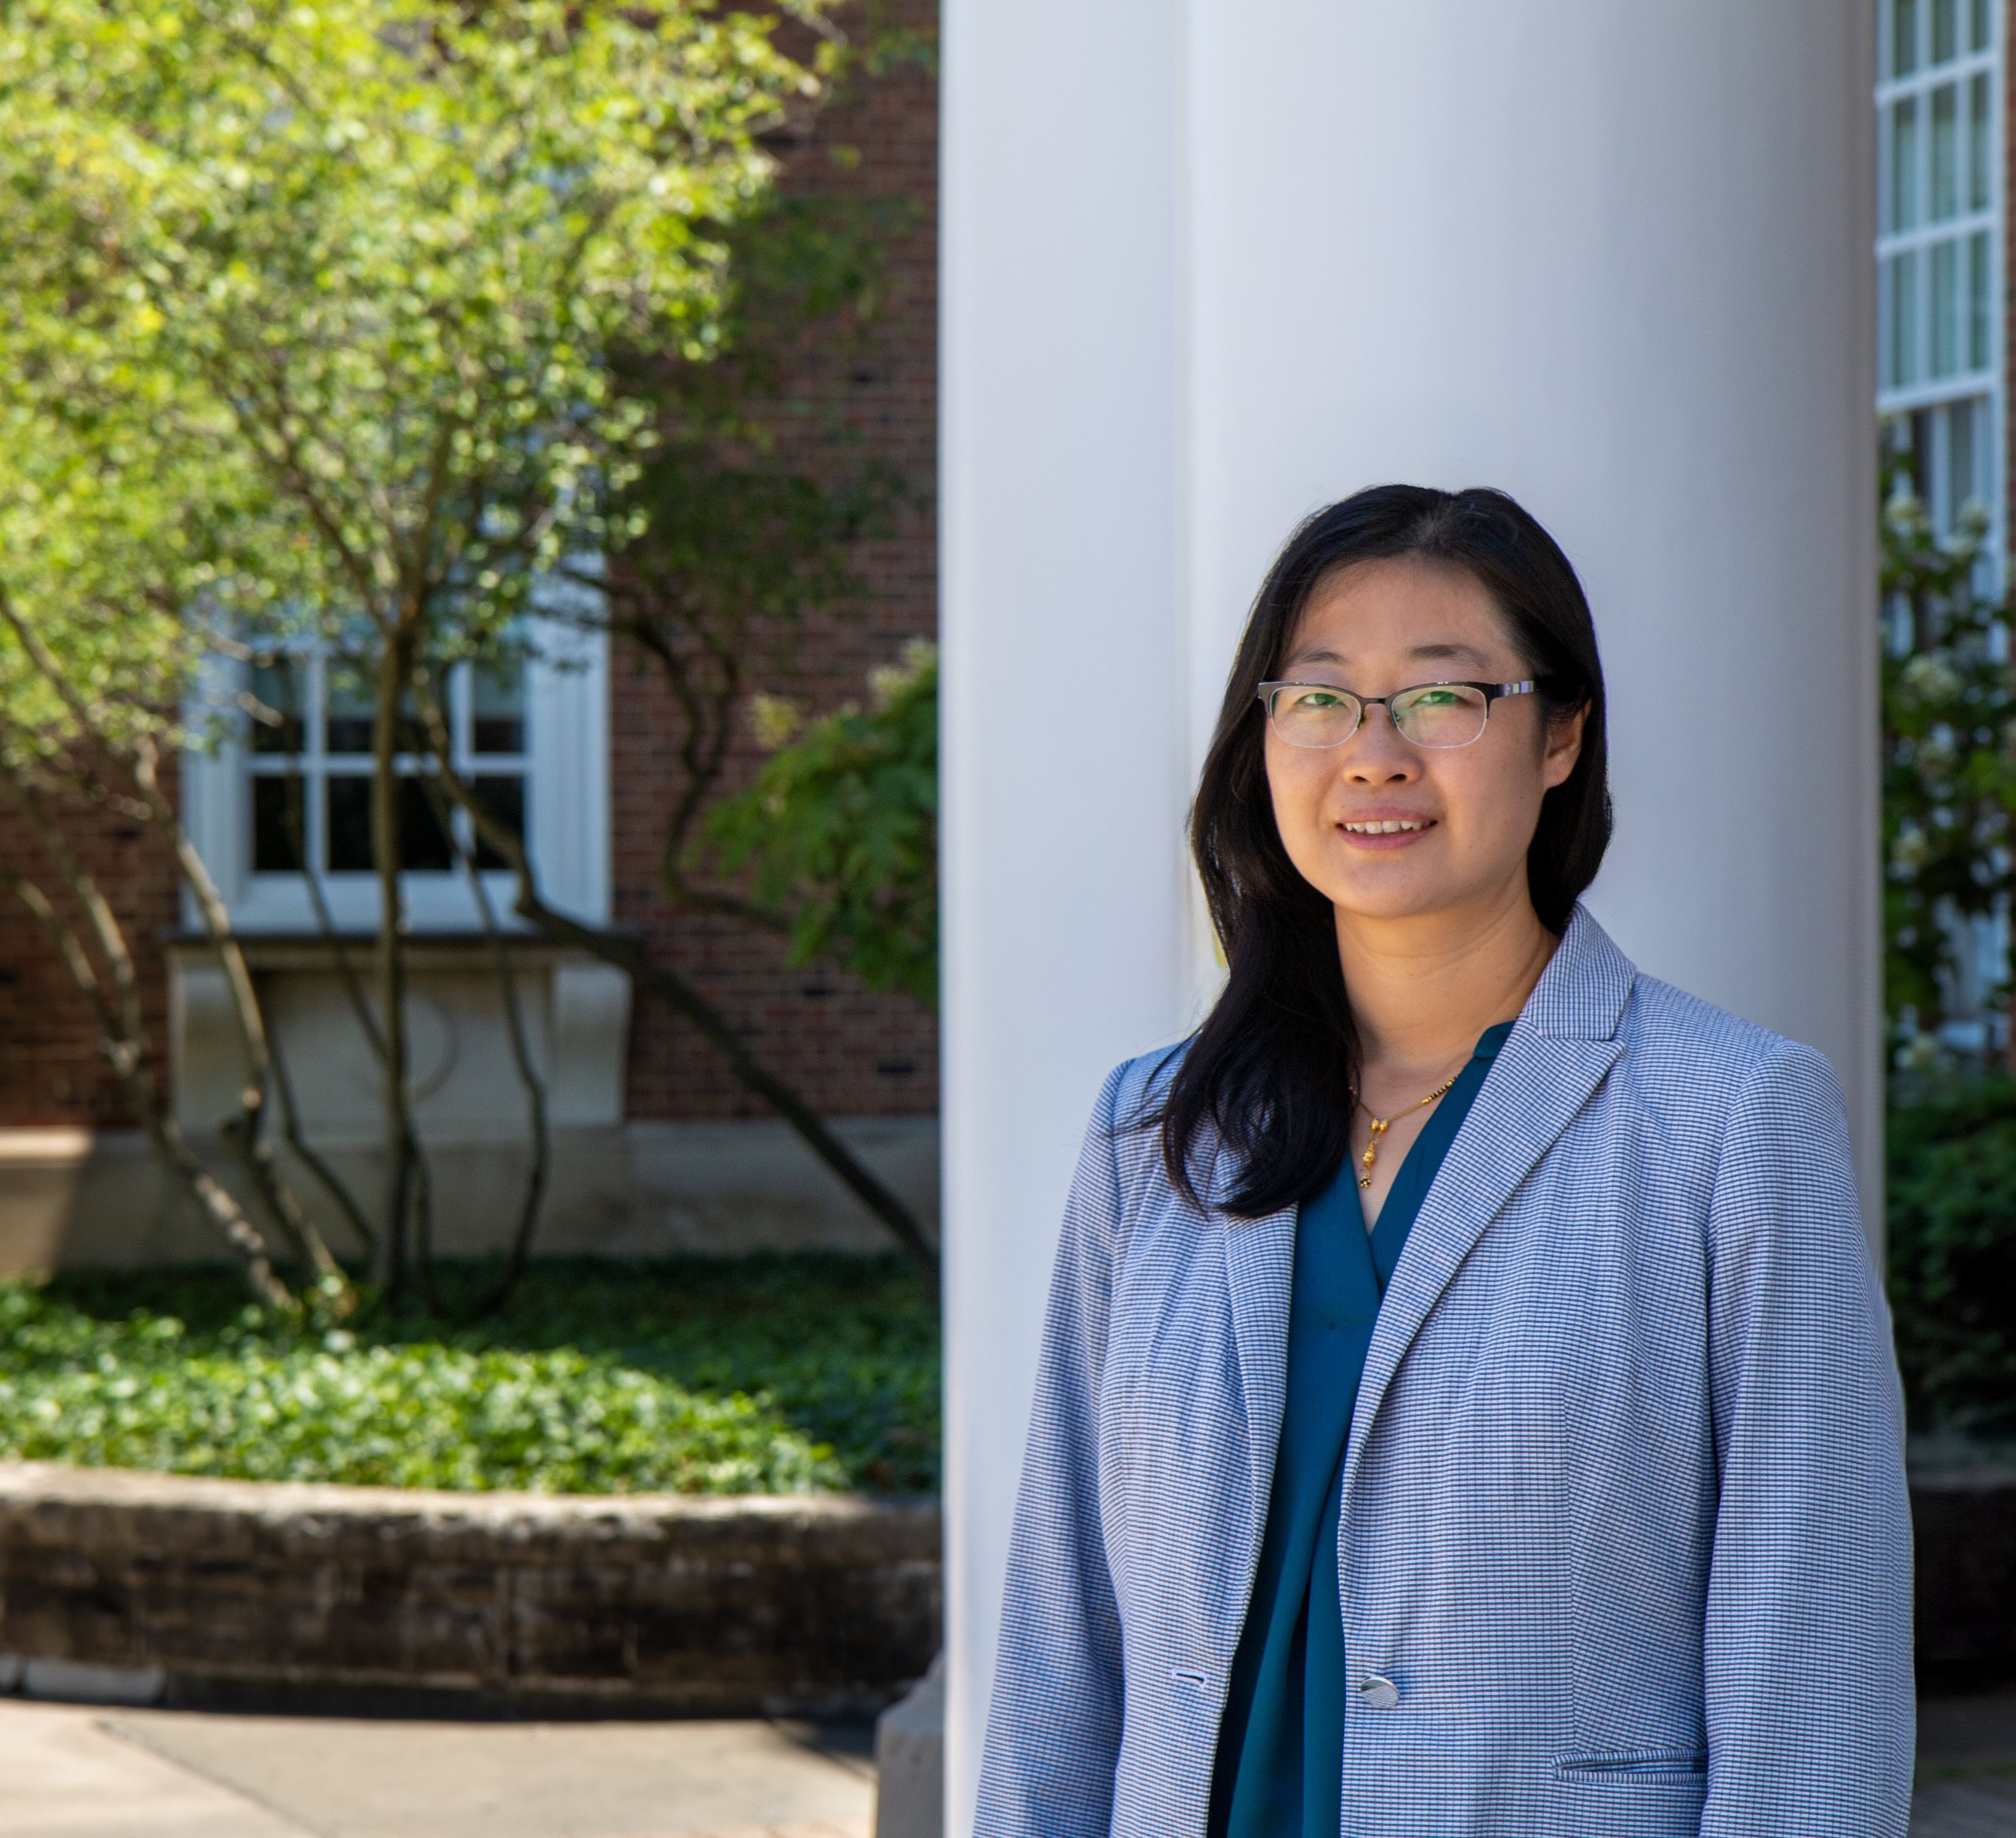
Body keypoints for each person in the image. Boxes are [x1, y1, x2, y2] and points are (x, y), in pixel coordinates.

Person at [971, 485, 1913, 1838]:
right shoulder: (1157, 1133)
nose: (1372, 754)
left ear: (1559, 737)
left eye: (1439, 699)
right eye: (1317, 697)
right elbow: (1059, 1648)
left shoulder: (1732, 1120)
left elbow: (1811, 1678)